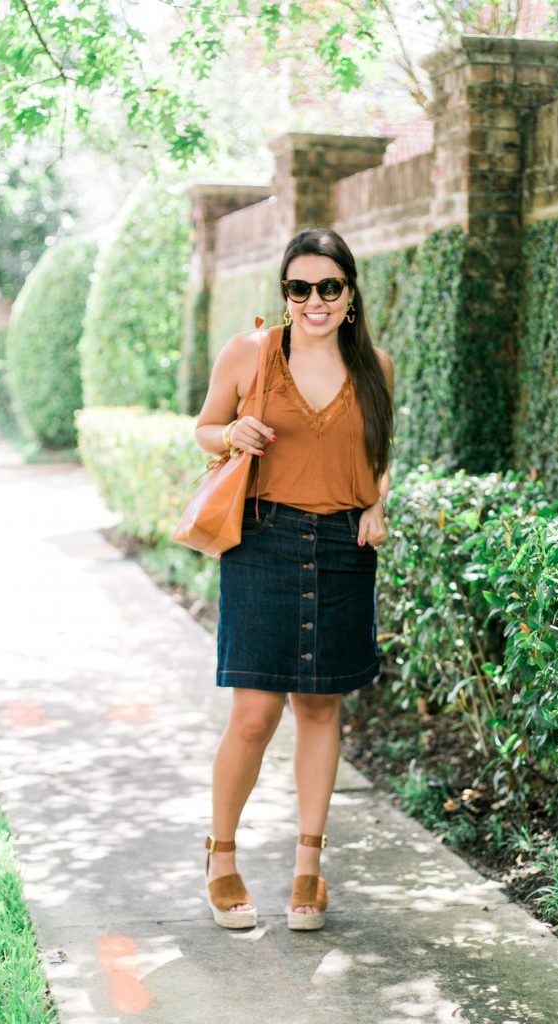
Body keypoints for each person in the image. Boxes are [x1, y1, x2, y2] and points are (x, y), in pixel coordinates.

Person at [194, 227, 394, 931]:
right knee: (254, 714)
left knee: (320, 709)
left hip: (342, 550)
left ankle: (309, 866)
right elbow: (204, 427)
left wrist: (376, 501)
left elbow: (378, 455)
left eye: (328, 287)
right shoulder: (251, 353)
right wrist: (230, 436)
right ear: (285, 292)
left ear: (348, 292)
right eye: (299, 288)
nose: (314, 300)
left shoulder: (375, 366)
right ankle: (221, 857)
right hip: (264, 540)